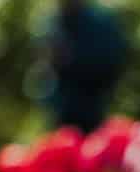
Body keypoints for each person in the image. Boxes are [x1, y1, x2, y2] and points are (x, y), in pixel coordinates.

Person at [44, 0, 128, 131]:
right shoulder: (54, 21)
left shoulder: (101, 23)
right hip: (61, 109)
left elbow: (112, 62)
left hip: (93, 106)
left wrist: (72, 59)